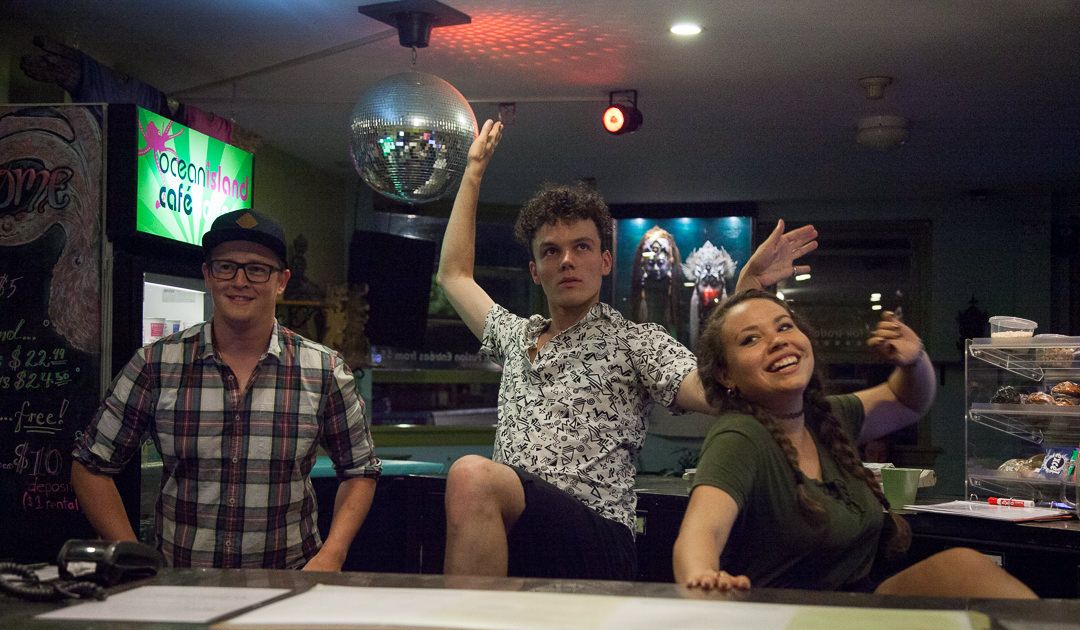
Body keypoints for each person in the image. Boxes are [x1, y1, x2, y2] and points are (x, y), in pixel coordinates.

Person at [435, 119, 819, 580]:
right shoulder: (516, 337)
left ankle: (467, 628)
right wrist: (473, 171)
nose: (568, 260)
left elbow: (717, 390)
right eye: (551, 251)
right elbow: (454, 275)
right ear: (535, 271)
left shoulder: (634, 342)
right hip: (523, 529)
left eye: (581, 247)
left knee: (472, 475)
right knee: (472, 488)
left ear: (605, 261)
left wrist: (747, 292)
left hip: (597, 539)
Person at [672, 289, 1036, 598]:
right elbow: (701, 532)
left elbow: (907, 400)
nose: (778, 340)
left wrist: (914, 359)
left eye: (784, 326)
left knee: (963, 567)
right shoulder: (740, 436)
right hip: (791, 625)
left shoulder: (825, 417)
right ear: (725, 374)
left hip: (852, 608)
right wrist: (704, 581)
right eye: (750, 339)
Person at [71, 209, 380, 570]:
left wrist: (332, 554)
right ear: (208, 275)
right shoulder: (156, 364)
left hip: (290, 584)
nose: (240, 281)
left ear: (281, 281)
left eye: (257, 269)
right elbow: (90, 465)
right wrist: (131, 556)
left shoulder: (324, 370)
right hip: (181, 586)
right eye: (226, 267)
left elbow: (360, 470)